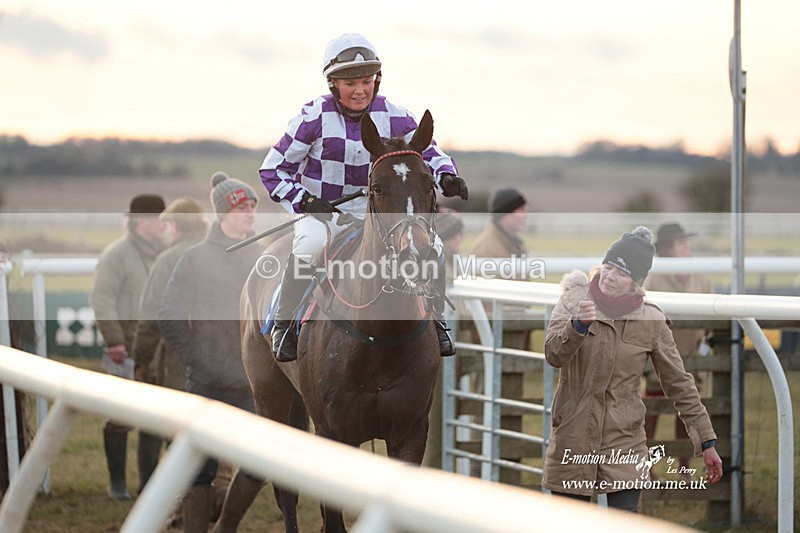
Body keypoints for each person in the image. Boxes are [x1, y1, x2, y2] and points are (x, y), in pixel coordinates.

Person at [260, 33, 468, 362]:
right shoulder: (312, 117)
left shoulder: (397, 115)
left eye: (367, 81)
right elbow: (272, 170)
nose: (360, 90)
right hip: (323, 215)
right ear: (333, 84)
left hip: (381, 215)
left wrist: (448, 177)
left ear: (376, 81)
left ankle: (437, 320)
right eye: (350, 83)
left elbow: (430, 153)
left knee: (434, 246)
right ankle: (283, 324)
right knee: (310, 245)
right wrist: (308, 202)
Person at [543, 226, 723, 512]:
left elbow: (679, 382)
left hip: (625, 441)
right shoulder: (573, 301)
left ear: (636, 282)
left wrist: (706, 440)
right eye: (608, 266)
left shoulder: (651, 319)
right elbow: (553, 354)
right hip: (573, 436)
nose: (610, 277)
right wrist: (577, 327)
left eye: (622, 273)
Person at [157, 172, 262, 532]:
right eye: (242, 207)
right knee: (198, 470)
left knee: (259, 463)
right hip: (206, 382)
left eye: (253, 206)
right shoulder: (195, 258)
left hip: (252, 384)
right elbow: (169, 315)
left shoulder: (262, 258)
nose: (250, 213)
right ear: (222, 213)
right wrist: (198, 360)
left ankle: (226, 525)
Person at [90, 193, 166, 500]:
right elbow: (102, 299)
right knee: (120, 415)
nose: (164, 224)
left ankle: (147, 487)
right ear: (141, 222)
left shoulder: (164, 252)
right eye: (158, 218)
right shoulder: (116, 254)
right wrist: (115, 342)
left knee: (155, 416)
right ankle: (117, 484)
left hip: (156, 348)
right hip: (124, 345)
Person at [131, 197, 207, 497]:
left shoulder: (167, 260)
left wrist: (141, 359)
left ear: (175, 226)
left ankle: (170, 500)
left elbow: (150, 319)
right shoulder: (226, 250)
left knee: (176, 432)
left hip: (177, 360)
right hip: (227, 361)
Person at [643, 222, 714, 475]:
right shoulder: (654, 277)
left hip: (692, 357)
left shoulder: (699, 276)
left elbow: (712, 311)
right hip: (660, 360)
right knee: (651, 413)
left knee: (687, 415)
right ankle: (646, 466)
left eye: (687, 243)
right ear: (666, 249)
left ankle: (683, 467)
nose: (687, 248)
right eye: (681, 243)